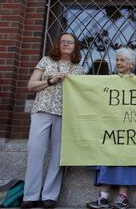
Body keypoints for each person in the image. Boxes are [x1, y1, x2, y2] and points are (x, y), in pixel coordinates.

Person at [21, 33, 84, 208]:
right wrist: (51, 80)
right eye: (63, 41)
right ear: (58, 44)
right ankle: (30, 196)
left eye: (70, 42)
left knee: (58, 155)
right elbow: (31, 85)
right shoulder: (46, 61)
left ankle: (49, 196)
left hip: (65, 115)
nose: (66, 44)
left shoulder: (79, 69)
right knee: (35, 150)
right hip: (42, 110)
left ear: (75, 46)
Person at [86, 48, 136, 209]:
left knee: (127, 161)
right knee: (106, 159)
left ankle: (123, 198)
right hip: (110, 128)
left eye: (122, 60)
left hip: (129, 129)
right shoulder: (109, 81)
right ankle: (103, 198)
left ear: (131, 64)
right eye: (117, 60)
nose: (118, 63)